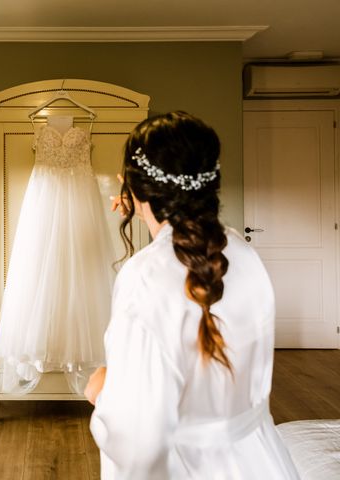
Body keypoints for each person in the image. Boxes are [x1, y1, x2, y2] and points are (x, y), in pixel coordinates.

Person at [84, 111, 299, 479]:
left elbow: (138, 443)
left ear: (134, 188)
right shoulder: (243, 253)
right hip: (259, 459)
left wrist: (102, 391)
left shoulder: (146, 276)